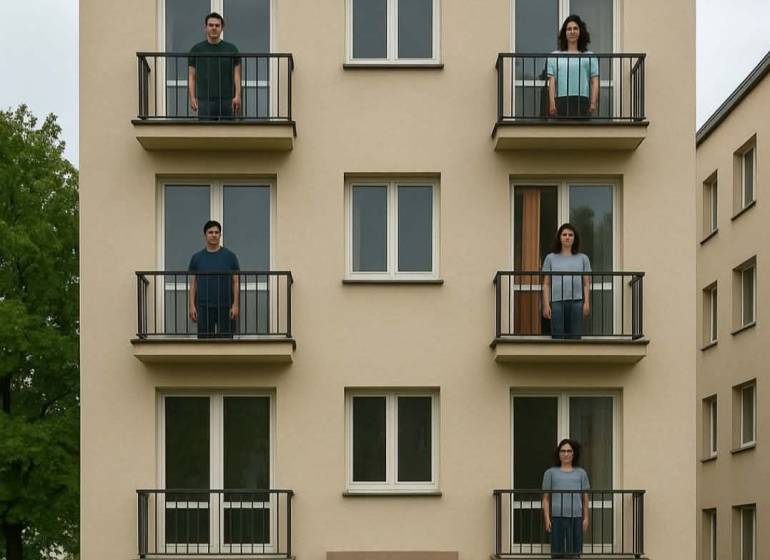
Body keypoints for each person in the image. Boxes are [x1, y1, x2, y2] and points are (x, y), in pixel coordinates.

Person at [188, 220, 240, 338]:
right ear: (205, 235)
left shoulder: (230, 257)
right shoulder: (197, 258)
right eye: (210, 232)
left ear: (220, 235)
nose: (214, 235)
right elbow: (193, 283)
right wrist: (192, 305)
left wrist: (235, 305)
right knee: (204, 344)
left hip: (225, 305)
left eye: (217, 232)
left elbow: (236, 282)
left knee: (226, 343)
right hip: (203, 306)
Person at [188, 12, 242, 119]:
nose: (214, 28)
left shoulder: (231, 49)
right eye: (211, 25)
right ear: (205, 28)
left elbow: (237, 75)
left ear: (222, 29)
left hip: (227, 99)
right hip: (204, 99)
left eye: (217, 25)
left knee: (227, 133)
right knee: (206, 133)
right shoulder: (196, 49)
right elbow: (191, 76)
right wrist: (192, 97)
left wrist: (237, 96)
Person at [542, 439, 590, 559]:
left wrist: (586, 518)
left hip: (576, 517)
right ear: (559, 453)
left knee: (575, 552)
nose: (566, 454)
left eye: (569, 451)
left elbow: (585, 497)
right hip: (557, 517)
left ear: (574, 453)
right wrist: (547, 518)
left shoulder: (581, 473)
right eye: (563, 451)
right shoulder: (550, 473)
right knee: (557, 552)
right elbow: (546, 498)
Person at [542, 224, 591, 339]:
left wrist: (587, 302)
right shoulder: (550, 258)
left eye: (570, 235)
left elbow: (586, 283)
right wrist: (546, 304)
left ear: (575, 238)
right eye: (564, 234)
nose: (567, 237)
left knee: (575, 336)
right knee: (557, 336)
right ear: (559, 237)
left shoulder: (583, 258)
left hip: (577, 301)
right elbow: (546, 284)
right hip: (557, 301)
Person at [547, 15, 600, 118]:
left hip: (582, 101)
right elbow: (552, 82)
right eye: (569, 29)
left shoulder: (590, 56)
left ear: (580, 32)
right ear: (564, 33)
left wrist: (593, 103)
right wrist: (552, 104)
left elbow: (595, 81)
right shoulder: (554, 56)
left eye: (575, 28)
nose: (572, 32)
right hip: (561, 101)